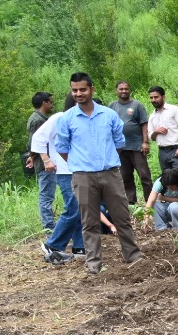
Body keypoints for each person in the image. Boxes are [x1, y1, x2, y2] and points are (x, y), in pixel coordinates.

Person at [53, 73, 143, 275]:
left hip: (110, 173)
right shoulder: (67, 119)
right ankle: (94, 263)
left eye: (82, 89)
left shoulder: (108, 115)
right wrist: (79, 164)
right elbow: (62, 147)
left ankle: (133, 256)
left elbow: (119, 142)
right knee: (89, 221)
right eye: (74, 90)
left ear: (92, 89)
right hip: (83, 176)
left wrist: (107, 159)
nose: (78, 93)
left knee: (122, 217)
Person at [34, 103, 84, 263]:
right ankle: (53, 244)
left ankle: (79, 246)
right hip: (65, 171)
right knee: (73, 208)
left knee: (81, 209)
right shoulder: (60, 117)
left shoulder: (84, 121)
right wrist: (46, 160)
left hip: (80, 170)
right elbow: (38, 138)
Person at [110, 81, 153, 201]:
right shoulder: (112, 106)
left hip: (137, 147)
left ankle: (150, 202)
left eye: (126, 89)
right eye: (121, 89)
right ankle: (131, 202)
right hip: (120, 148)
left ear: (130, 90)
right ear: (116, 91)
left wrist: (145, 142)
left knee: (144, 176)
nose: (124, 91)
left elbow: (144, 124)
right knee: (126, 177)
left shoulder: (137, 105)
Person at [27, 92, 58, 232]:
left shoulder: (40, 118)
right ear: (44, 103)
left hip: (45, 161)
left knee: (47, 194)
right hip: (45, 164)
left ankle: (50, 224)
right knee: (46, 196)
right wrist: (35, 157)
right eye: (50, 102)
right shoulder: (38, 120)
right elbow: (34, 142)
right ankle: (49, 227)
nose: (52, 105)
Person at [146, 86, 178, 178]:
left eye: (156, 97)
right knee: (168, 179)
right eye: (151, 98)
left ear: (163, 97)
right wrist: (156, 132)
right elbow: (151, 136)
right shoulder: (152, 115)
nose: (153, 100)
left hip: (175, 149)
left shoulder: (174, 110)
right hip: (162, 151)